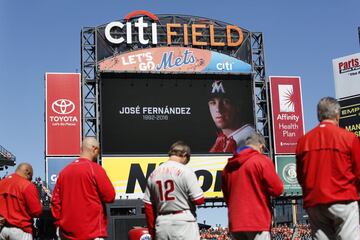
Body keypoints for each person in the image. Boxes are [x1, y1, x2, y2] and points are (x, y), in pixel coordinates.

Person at [296, 97, 360, 240]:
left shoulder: (303, 141)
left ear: (319, 115)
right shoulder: (348, 137)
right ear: (337, 115)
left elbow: (300, 177)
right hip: (343, 199)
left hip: (315, 203)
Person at [51, 137, 116, 240]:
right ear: (94, 149)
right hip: (92, 233)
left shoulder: (64, 171)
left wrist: (59, 224)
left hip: (67, 234)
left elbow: (55, 202)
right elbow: (110, 196)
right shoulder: (95, 169)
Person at [222, 132, 283, 240]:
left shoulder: (228, 167)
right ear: (261, 146)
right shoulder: (262, 160)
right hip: (257, 221)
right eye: (263, 150)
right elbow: (277, 189)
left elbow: (227, 197)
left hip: (235, 223)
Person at [143, 141, 205, 240]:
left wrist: (152, 231)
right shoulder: (186, 171)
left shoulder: (153, 174)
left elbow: (148, 206)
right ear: (184, 155)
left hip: (162, 223)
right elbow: (199, 200)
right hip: (183, 222)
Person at [208, 80, 255, 153]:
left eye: (225, 102)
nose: (218, 109)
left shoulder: (250, 136)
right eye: (213, 103)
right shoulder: (222, 138)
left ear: (238, 105)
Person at [0, 163, 43, 240]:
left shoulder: (1, 183)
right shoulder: (27, 185)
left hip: (2, 230)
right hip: (21, 230)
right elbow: (37, 211)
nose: (31, 179)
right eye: (30, 177)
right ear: (28, 172)